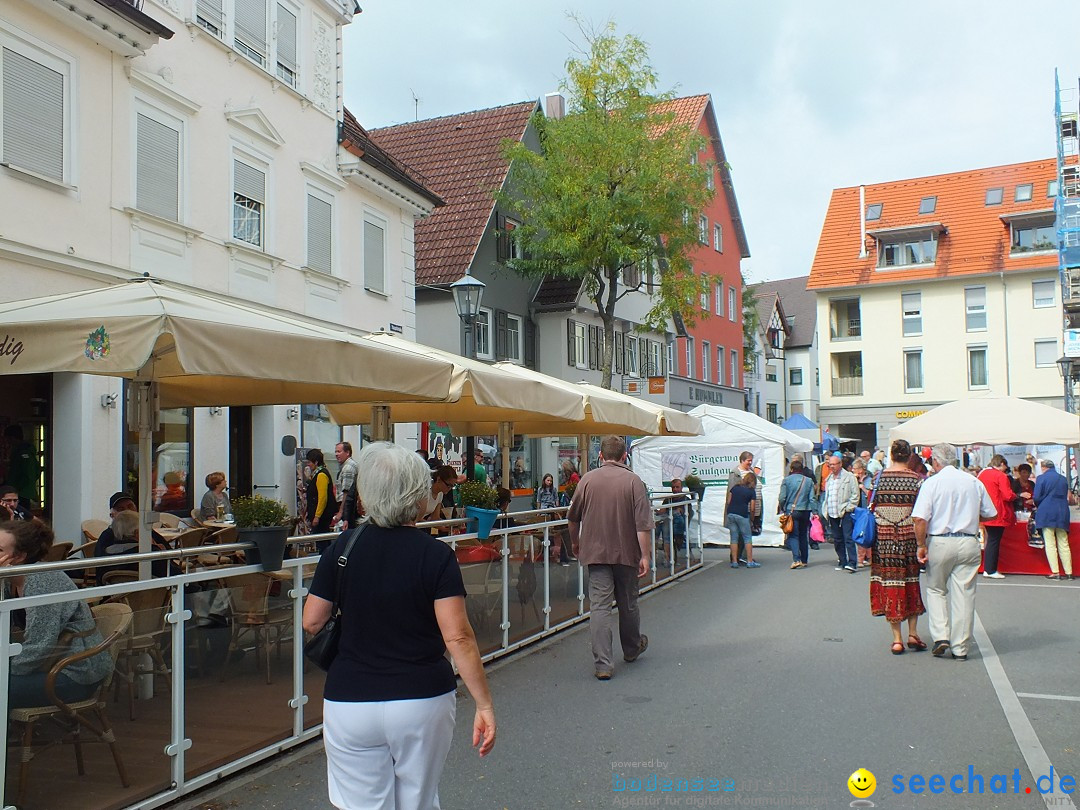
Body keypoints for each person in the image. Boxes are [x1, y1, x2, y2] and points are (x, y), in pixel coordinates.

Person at [302, 442, 495, 809]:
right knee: (418, 800)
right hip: (422, 696)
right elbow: (457, 636)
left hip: (351, 697)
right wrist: (483, 704)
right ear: (419, 496)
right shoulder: (436, 556)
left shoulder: (343, 548)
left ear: (366, 495)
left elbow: (312, 621)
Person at [566, 435, 652, 681]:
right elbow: (642, 525)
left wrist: (575, 542)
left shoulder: (587, 480)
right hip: (627, 553)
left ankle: (603, 664)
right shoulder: (634, 482)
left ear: (600, 456)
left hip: (596, 553)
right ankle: (632, 647)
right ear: (624, 456)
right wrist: (644, 555)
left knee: (600, 607)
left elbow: (573, 518)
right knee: (628, 603)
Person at [1, 520, 113, 708]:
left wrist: (5, 669)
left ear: (19, 556)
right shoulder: (8, 580)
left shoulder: (41, 582)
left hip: (75, 672)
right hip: (47, 664)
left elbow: (41, 645)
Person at [913, 444, 996, 660]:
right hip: (968, 540)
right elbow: (990, 513)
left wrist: (921, 544)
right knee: (965, 594)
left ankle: (941, 635)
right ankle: (961, 647)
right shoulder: (973, 481)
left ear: (936, 462)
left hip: (940, 540)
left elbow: (920, 518)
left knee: (936, 589)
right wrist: (971, 519)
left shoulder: (931, 483)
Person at [869, 440, 927, 655]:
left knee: (891, 583)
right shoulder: (916, 480)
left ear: (891, 455)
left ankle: (897, 639)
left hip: (884, 537)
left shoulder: (878, 478)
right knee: (911, 581)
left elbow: (871, 504)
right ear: (909, 456)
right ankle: (913, 633)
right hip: (909, 535)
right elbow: (922, 511)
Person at [977, 454, 1015, 579]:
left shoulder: (982, 474)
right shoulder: (1001, 476)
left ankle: (988, 568)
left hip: (984, 511)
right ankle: (990, 569)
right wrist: (1017, 495)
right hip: (998, 512)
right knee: (994, 541)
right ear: (1002, 464)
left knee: (989, 540)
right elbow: (1007, 495)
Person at [1034, 459, 1072, 580]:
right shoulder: (1062, 478)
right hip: (1062, 511)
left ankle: (1055, 572)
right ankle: (1069, 572)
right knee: (1063, 542)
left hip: (1046, 511)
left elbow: (1037, 497)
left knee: (1050, 543)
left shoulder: (1041, 478)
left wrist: (1038, 504)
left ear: (1043, 467)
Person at [821, 452, 860, 573]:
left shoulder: (849, 477)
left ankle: (852, 562)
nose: (832, 467)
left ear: (840, 464)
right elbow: (827, 496)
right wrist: (825, 509)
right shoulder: (829, 479)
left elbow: (855, 495)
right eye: (830, 465)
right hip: (832, 512)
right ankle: (842, 560)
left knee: (848, 538)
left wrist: (849, 507)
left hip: (845, 512)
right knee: (837, 539)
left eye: (834, 464)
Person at [778, 459, 812, 569]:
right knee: (803, 535)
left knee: (793, 535)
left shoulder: (786, 480)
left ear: (791, 469)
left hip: (792, 511)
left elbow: (782, 497)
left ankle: (796, 559)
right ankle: (804, 560)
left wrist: (783, 507)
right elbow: (812, 498)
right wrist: (814, 511)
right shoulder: (808, 481)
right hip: (805, 510)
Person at [726, 472, 760, 569]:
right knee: (747, 538)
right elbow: (752, 508)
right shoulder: (751, 491)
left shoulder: (735, 488)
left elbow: (728, 501)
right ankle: (749, 561)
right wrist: (752, 519)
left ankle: (734, 561)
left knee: (734, 538)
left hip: (731, 513)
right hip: (742, 514)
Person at [305, 449, 338, 548]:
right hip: (320, 514)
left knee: (322, 540)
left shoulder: (321, 475)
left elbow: (322, 497)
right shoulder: (317, 474)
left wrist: (317, 516)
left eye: (309, 462)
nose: (308, 464)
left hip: (322, 516)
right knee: (323, 539)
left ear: (316, 462)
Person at [2, 425, 39, 512]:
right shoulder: (27, 452)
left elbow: (27, 473)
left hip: (20, 492)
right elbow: (36, 471)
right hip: (22, 491)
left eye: (8, 439)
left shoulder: (23, 453)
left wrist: (16, 488)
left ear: (12, 438)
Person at [726, 451, 754, 563]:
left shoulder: (751, 471)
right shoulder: (735, 473)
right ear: (742, 460)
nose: (750, 463)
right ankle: (740, 558)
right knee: (743, 536)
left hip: (740, 509)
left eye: (751, 460)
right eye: (748, 460)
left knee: (737, 536)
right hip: (741, 510)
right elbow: (730, 493)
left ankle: (737, 559)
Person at [657, 478, 693, 566]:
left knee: (666, 531)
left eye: (677, 487)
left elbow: (686, 515)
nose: (675, 489)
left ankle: (668, 558)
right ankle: (655, 558)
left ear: (682, 487)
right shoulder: (668, 499)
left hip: (679, 526)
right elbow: (662, 511)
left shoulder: (686, 499)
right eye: (673, 487)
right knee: (656, 527)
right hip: (667, 523)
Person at [332, 442, 360, 530]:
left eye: (339, 451)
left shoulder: (348, 468)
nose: (336, 454)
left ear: (347, 452)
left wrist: (341, 512)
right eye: (335, 452)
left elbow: (347, 492)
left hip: (348, 509)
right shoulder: (346, 466)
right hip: (348, 508)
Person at [853, 459, 873, 567]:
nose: (854, 471)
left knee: (864, 534)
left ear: (861, 470)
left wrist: (863, 488)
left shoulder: (868, 480)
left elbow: (871, 494)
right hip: (857, 510)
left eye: (855, 469)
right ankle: (867, 558)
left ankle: (862, 559)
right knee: (859, 534)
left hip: (866, 511)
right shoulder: (853, 480)